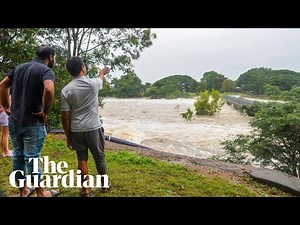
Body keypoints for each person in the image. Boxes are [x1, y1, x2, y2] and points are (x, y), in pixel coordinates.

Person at [0, 45, 61, 197]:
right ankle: (41, 193)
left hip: (14, 121)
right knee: (32, 158)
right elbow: (49, 89)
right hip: (32, 122)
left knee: (19, 156)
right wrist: (45, 112)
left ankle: (23, 191)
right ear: (50, 57)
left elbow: (3, 84)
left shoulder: (19, 68)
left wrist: (7, 106)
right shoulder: (46, 71)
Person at [61, 56, 110, 197]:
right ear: (83, 67)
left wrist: (68, 135)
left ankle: (85, 190)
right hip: (94, 128)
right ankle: (104, 185)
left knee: (82, 158)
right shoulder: (93, 84)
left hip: (76, 129)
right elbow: (101, 79)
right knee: (99, 157)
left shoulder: (66, 90)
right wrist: (102, 73)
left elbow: (65, 116)